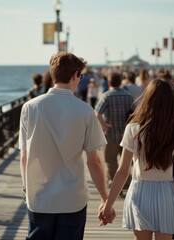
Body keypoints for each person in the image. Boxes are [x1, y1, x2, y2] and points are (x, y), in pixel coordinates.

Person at [19, 52, 113, 240]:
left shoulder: (30, 108)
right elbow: (94, 162)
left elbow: (24, 156)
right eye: (80, 76)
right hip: (72, 199)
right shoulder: (85, 111)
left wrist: (26, 189)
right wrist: (105, 200)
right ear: (74, 76)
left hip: (39, 198)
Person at [99, 79, 174, 240]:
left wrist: (108, 205)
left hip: (140, 192)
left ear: (147, 98)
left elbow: (122, 171)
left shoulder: (133, 129)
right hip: (167, 193)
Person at [95, 72, 134, 188]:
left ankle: (113, 182)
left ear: (109, 82)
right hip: (126, 134)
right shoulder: (128, 96)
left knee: (110, 161)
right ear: (121, 81)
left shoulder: (106, 96)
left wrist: (104, 126)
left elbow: (97, 114)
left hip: (111, 134)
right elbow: (135, 114)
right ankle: (125, 182)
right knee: (125, 162)